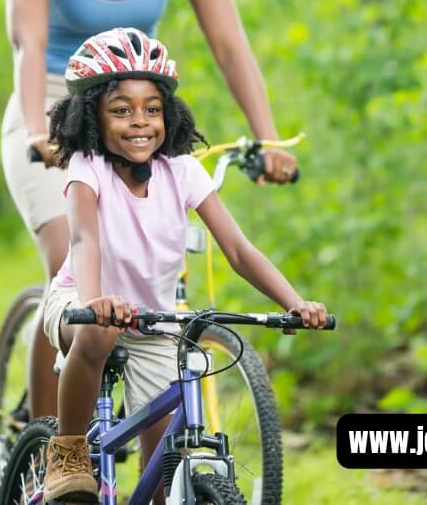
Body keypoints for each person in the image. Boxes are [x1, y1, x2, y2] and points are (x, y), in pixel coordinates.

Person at [2, 0, 298, 417]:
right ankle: (51, 434)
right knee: (73, 265)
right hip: (58, 103)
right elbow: (28, 44)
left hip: (135, 106)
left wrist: (268, 138)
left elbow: (228, 43)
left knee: (153, 285)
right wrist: (36, 129)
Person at [34, 27, 326, 502]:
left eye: (152, 109)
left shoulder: (183, 171)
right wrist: (94, 302)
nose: (140, 122)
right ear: (92, 118)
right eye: (121, 110)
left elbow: (238, 250)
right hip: (78, 303)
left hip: (151, 323)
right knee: (97, 333)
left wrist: (295, 302)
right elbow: (85, 238)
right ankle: (67, 452)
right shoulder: (89, 166)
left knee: (163, 476)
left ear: (168, 114)